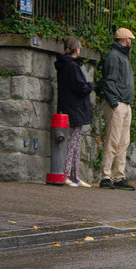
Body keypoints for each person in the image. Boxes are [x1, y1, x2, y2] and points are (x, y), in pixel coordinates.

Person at [95, 27, 136, 191]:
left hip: (125, 103)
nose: (131, 42)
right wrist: (113, 102)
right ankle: (105, 176)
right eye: (130, 39)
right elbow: (109, 80)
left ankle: (119, 176)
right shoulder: (114, 56)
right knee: (113, 141)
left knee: (123, 142)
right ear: (126, 40)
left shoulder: (123, 56)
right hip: (117, 104)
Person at [54, 38, 94, 188]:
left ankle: (74, 175)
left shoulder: (64, 64)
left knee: (75, 143)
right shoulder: (71, 66)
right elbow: (80, 87)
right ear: (76, 49)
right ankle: (66, 174)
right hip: (74, 108)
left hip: (68, 106)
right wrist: (90, 85)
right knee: (72, 143)